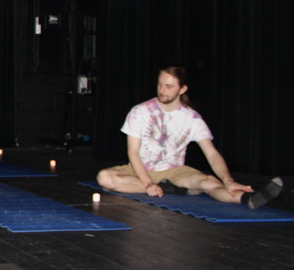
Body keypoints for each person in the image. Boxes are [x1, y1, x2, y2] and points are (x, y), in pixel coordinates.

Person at [96, 65, 282, 209]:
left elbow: (211, 154)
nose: (162, 90)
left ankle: (247, 198)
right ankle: (169, 188)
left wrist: (228, 180)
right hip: (140, 170)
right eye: (160, 84)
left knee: (209, 182)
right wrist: (148, 183)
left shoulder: (192, 118)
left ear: (182, 89)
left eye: (168, 86)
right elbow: (133, 152)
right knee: (105, 178)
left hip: (174, 171)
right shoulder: (140, 111)